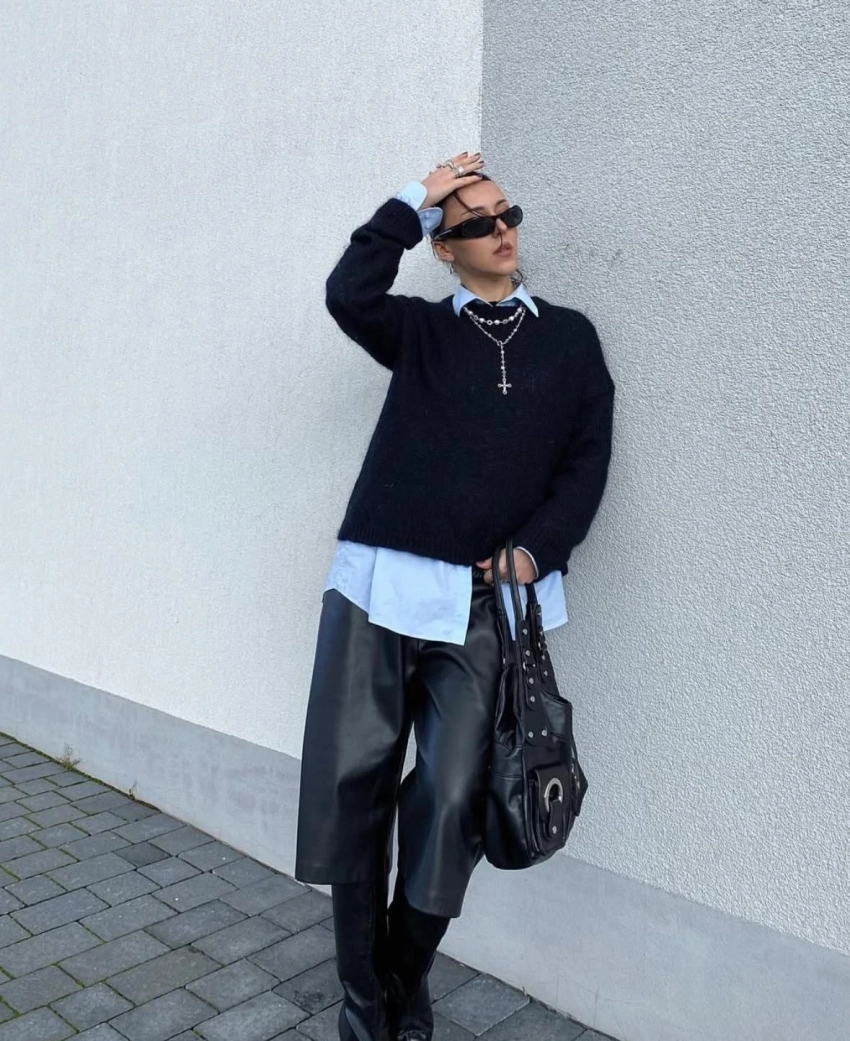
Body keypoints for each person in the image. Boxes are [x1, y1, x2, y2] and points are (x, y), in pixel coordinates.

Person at [294, 152, 616, 1041]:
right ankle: (365, 1003)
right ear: (444, 247)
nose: (500, 230)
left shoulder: (570, 339)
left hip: (485, 603)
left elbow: (587, 458)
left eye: (507, 213)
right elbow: (348, 292)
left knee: (454, 795)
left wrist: (538, 549)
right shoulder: (419, 329)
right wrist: (415, 199)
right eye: (475, 222)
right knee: (354, 786)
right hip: (377, 585)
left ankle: (402, 972)